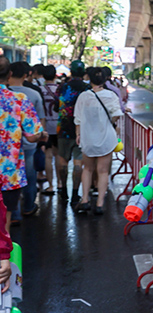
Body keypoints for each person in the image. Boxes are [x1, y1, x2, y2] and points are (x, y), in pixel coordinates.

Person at [0, 58, 44, 233]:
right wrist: (41, 134)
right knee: (6, 217)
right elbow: (33, 136)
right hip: (9, 172)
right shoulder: (18, 99)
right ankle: (3, 255)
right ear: (9, 74)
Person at [73, 67, 121, 214]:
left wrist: (78, 134)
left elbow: (78, 119)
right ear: (105, 79)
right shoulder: (111, 95)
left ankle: (85, 200)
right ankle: (100, 204)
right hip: (105, 137)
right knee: (103, 171)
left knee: (87, 169)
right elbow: (116, 115)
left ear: (90, 79)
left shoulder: (84, 96)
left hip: (88, 137)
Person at [56, 60, 89, 206]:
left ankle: (63, 190)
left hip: (64, 128)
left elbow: (58, 105)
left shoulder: (63, 87)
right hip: (81, 129)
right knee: (78, 162)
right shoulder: (88, 88)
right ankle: (75, 194)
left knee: (63, 160)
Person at [39, 64, 61, 195]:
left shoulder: (40, 90)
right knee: (58, 155)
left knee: (48, 156)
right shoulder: (60, 89)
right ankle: (60, 183)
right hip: (58, 127)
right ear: (54, 75)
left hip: (45, 127)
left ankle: (51, 185)